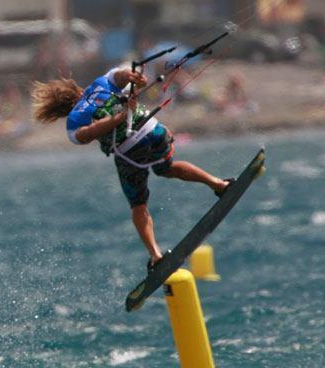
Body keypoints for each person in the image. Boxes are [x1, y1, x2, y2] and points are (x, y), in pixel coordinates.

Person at [31, 67, 232, 269]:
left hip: (130, 152)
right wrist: (133, 77)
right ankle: (219, 184)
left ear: (59, 111)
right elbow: (121, 75)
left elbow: (86, 134)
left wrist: (116, 119)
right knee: (167, 168)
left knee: (138, 204)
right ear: (77, 89)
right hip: (154, 131)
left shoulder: (74, 121)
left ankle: (155, 255)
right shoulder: (101, 83)